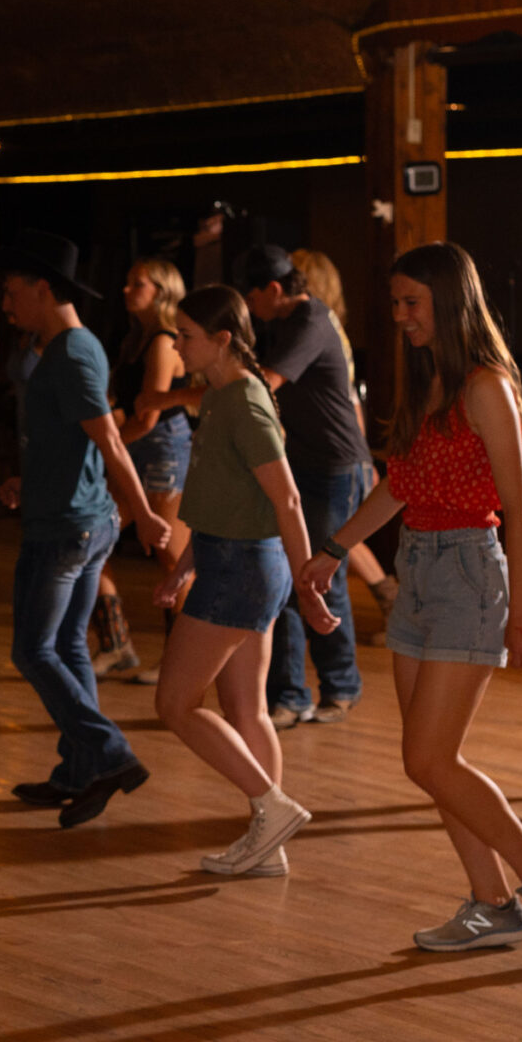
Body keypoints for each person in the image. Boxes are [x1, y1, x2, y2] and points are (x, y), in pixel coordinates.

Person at [297, 242, 522, 961]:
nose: (400, 316)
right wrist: (332, 550)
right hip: (418, 568)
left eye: (411, 303)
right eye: (395, 303)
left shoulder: (486, 387)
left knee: (430, 759)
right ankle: (492, 904)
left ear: (449, 303)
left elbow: (520, 509)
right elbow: (398, 486)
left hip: (468, 573)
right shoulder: (430, 382)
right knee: (427, 759)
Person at [0, 230, 173, 829]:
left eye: (12, 292)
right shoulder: (67, 350)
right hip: (74, 519)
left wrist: (145, 513)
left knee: (32, 650)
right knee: (65, 647)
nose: (5, 305)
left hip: (67, 529)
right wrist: (28, 480)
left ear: (43, 289)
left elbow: (110, 439)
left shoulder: (72, 352)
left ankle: (110, 755)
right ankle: (79, 771)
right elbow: (74, 440)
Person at [152, 286, 335, 877]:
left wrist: (307, 585)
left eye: (186, 336)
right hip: (235, 562)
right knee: (246, 708)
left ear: (223, 340)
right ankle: (268, 843)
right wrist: (186, 564)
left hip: (242, 570)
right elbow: (223, 498)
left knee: (175, 703)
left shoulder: (244, 402)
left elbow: (287, 499)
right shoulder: (220, 396)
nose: (176, 346)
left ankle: (270, 808)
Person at [241, 244, 374, 730]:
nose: (249, 305)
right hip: (303, 465)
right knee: (287, 580)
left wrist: (180, 395)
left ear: (274, 289)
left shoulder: (311, 320)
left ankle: (341, 688)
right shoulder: (284, 322)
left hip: (335, 469)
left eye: (251, 295)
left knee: (320, 579)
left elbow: (264, 383)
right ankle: (290, 696)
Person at [291, 245, 398, 640]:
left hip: (336, 460)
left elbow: (347, 403)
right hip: (340, 457)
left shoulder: (318, 327)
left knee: (334, 544)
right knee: (337, 542)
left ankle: (389, 605)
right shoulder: (327, 326)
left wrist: (363, 460)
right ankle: (390, 601)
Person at [98, 258, 192, 684]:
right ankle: (116, 644)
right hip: (135, 446)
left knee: (172, 558)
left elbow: (150, 415)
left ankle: (181, 660)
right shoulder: (135, 339)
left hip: (162, 450)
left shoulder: (163, 341)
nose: (126, 290)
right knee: (94, 539)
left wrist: (109, 444)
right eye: (127, 282)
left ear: (161, 291)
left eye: (137, 284)